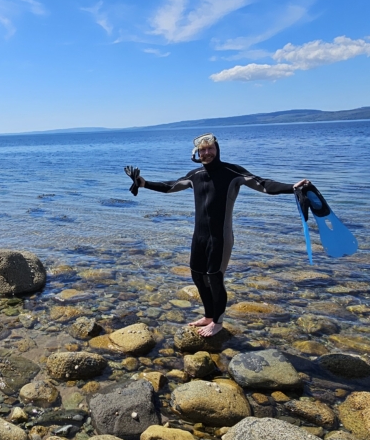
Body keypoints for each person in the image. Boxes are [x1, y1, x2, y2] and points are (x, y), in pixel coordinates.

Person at [125, 133, 310, 337]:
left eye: (210, 148)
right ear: (197, 153)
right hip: (199, 237)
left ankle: (218, 322)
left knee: (215, 277)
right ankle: (208, 316)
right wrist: (144, 183)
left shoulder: (232, 172)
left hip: (220, 237)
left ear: (217, 149)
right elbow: (170, 186)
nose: (207, 152)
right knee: (197, 275)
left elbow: (264, 184)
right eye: (202, 150)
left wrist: (291, 187)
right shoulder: (195, 175)